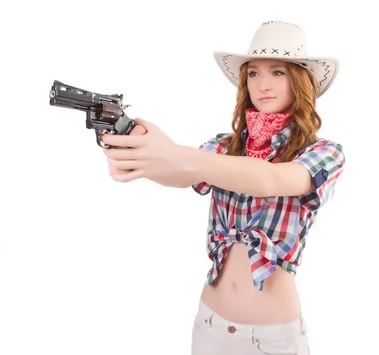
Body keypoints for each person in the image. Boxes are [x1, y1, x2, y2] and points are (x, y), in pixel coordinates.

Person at [100, 21, 345, 354]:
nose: (263, 84)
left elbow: (269, 180)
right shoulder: (223, 147)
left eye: (277, 72)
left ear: (299, 81)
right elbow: (182, 174)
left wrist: (173, 154)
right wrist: (141, 158)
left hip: (273, 337)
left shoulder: (324, 153)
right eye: (253, 74)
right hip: (210, 325)